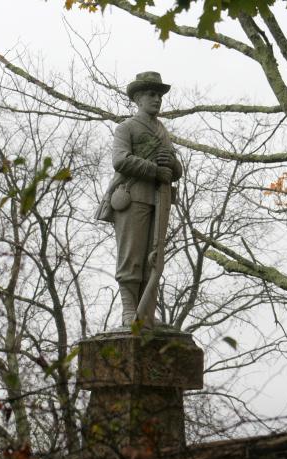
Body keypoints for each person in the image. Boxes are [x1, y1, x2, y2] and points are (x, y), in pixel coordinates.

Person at [96, 71, 182, 328]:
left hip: (160, 199)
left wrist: (173, 166)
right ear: (138, 99)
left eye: (159, 95)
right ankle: (129, 311)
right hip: (132, 197)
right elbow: (120, 160)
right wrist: (155, 170)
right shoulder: (127, 128)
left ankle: (146, 314)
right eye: (151, 94)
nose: (157, 99)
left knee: (153, 259)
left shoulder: (162, 130)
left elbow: (174, 169)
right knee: (131, 256)